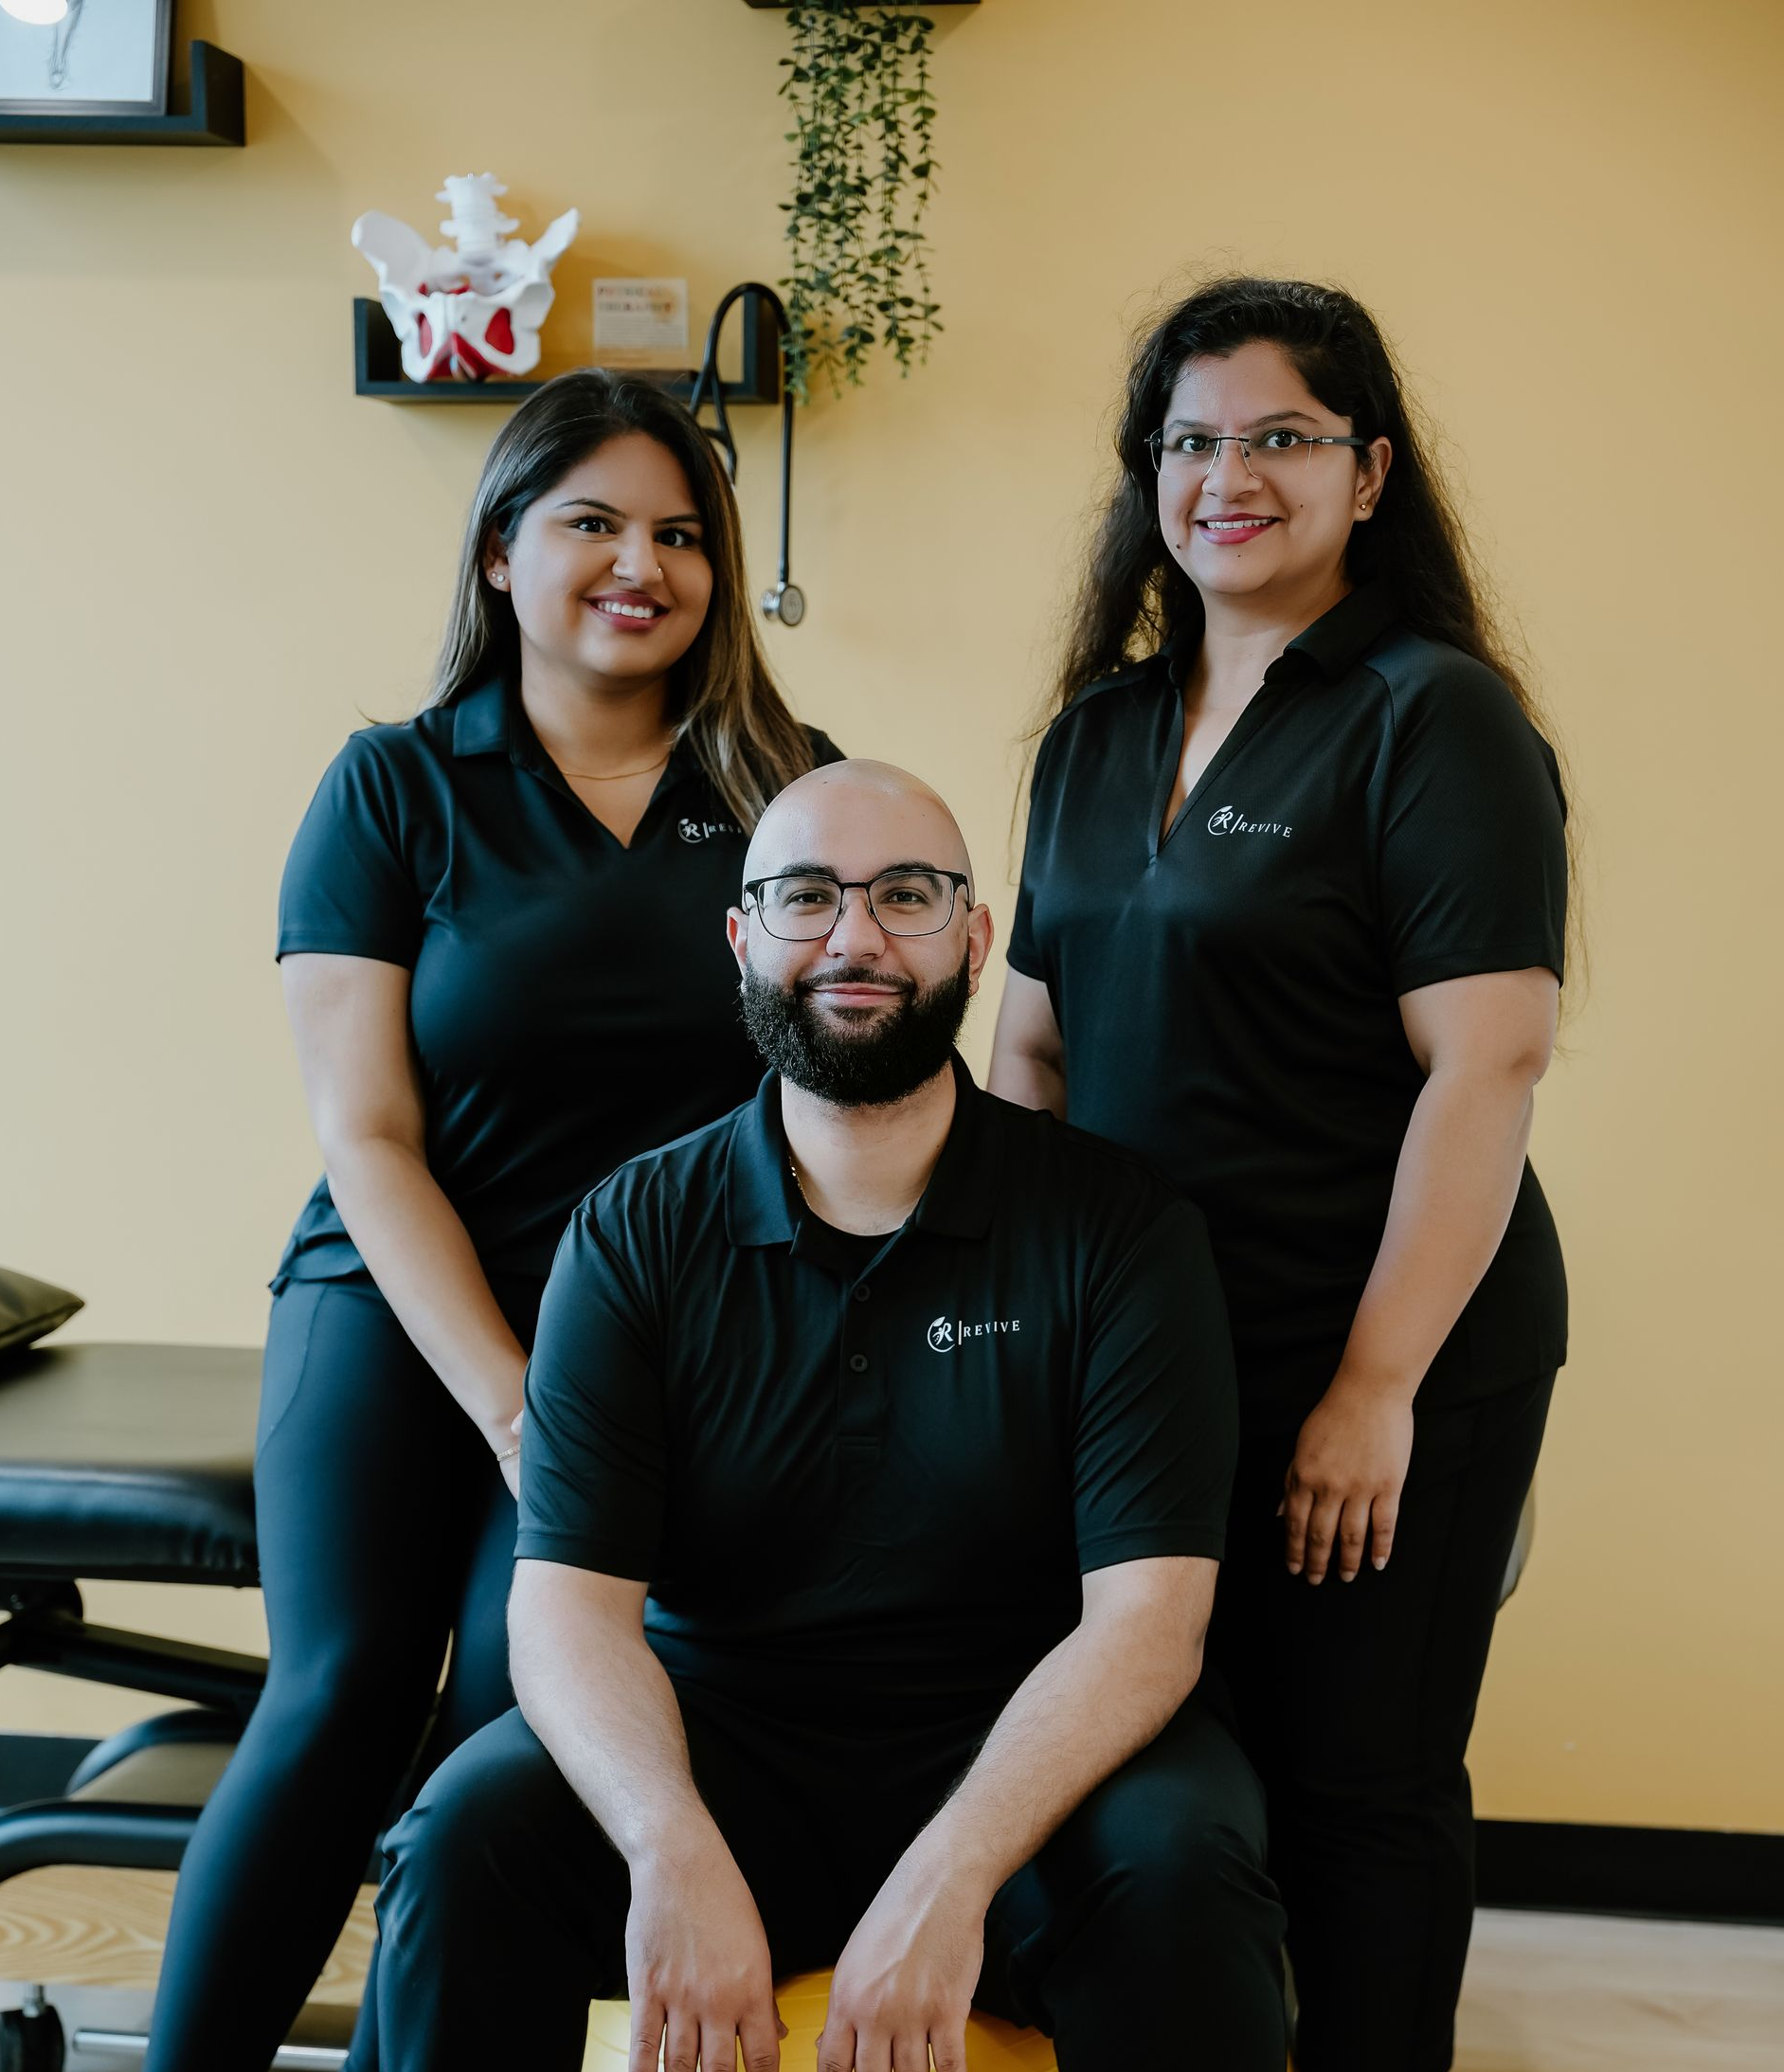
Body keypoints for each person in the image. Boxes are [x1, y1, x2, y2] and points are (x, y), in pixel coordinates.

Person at [364, 761, 1288, 2072]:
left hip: (1024, 1747)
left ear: (974, 941)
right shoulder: (633, 1231)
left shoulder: (1121, 1231)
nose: (853, 936)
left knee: (1185, 1866)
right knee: (465, 1838)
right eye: (805, 896)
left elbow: (1149, 1624)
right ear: (742, 938)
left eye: (905, 895)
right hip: (719, 1736)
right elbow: (567, 1605)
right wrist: (667, 1843)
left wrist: (953, 1870)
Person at [144, 372, 840, 2072]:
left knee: (506, 1735)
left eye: (680, 533)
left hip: (652, 1332)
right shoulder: (392, 786)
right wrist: (514, 1399)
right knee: (342, 1699)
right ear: (501, 550)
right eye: (591, 522)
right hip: (393, 1303)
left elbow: (833, 1086)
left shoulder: (786, 785)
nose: (641, 563)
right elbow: (368, 1133)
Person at [989, 276, 1571, 2072]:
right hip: (1151, 1360)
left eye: (1280, 437)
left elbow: (1491, 1061)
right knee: (1167, 1772)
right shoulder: (1098, 733)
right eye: (1189, 441)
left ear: (1369, 470)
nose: (1226, 474)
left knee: (1359, 1791)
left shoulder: (1428, 715)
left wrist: (1374, 1387)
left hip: (1378, 1355)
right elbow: (1032, 1050)